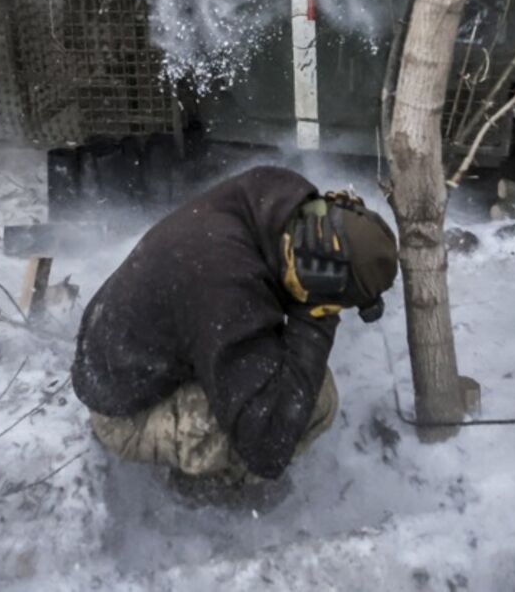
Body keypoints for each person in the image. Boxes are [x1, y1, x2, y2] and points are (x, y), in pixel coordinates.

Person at [71, 165, 399, 496]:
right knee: (312, 401)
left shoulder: (282, 201)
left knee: (288, 374)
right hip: (124, 414)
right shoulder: (226, 286)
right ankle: (212, 495)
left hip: (135, 353)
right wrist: (315, 316)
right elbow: (268, 446)